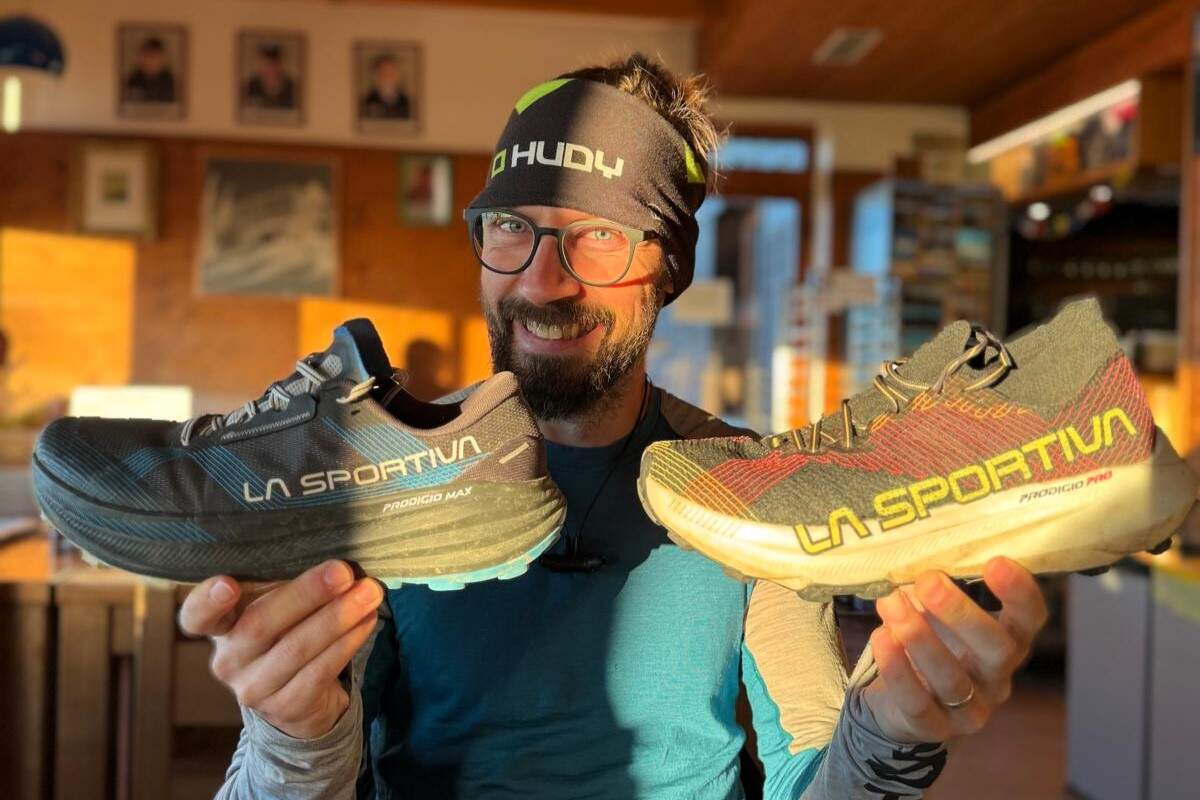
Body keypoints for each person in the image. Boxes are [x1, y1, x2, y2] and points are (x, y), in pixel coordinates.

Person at [180, 54, 1048, 799]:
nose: (542, 282)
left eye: (599, 236)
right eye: (512, 228)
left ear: (668, 268)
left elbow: (815, 776)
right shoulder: (389, 470)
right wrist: (292, 738)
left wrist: (891, 729)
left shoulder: (749, 487)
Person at [244, 44, 296, 110]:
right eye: (266, 64)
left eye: (274, 63)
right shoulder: (250, 87)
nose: (270, 68)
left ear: (281, 65)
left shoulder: (292, 88)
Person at [124, 36, 175, 104]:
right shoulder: (134, 79)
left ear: (162, 59)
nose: (150, 61)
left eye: (154, 57)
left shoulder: (169, 80)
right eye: (147, 56)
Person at [360, 54, 411, 119]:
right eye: (384, 73)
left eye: (392, 73)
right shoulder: (366, 103)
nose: (388, 78)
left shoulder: (407, 103)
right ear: (375, 77)